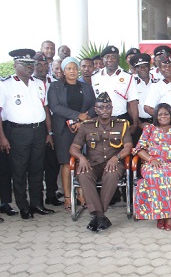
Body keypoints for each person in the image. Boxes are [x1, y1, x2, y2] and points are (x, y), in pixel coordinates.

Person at [0, 49, 55, 219]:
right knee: (19, 170)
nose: (29, 68)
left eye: (31, 64)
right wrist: (2, 137)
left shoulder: (38, 83)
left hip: (38, 131)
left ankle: (37, 203)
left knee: (37, 169)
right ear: (15, 65)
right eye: (25, 64)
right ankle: (23, 206)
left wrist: (49, 132)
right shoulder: (5, 84)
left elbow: (45, 109)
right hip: (17, 132)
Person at [69, 92, 132, 232]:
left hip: (114, 163)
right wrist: (82, 158)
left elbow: (128, 147)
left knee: (111, 174)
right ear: (95, 109)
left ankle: (97, 216)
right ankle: (101, 216)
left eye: (108, 107)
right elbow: (74, 147)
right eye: (101, 107)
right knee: (83, 175)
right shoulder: (86, 125)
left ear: (112, 108)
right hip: (92, 163)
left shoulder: (122, 124)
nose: (105, 110)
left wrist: (117, 158)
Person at [133, 103, 171, 231]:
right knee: (155, 175)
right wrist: (151, 159)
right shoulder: (149, 128)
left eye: (166, 113)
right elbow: (139, 149)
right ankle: (163, 214)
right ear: (156, 116)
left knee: (170, 176)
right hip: (152, 163)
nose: (163, 116)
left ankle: (167, 216)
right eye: (160, 114)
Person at [47, 57, 96, 211]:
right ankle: (68, 197)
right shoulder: (55, 87)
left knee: (83, 161)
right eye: (69, 68)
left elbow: (94, 106)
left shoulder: (86, 87)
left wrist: (82, 121)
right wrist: (77, 116)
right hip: (63, 130)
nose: (72, 71)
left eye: (75, 68)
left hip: (83, 128)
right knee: (67, 163)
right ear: (63, 70)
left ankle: (81, 193)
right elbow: (55, 107)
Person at [32, 52, 62, 207]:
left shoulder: (54, 81)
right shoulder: (29, 82)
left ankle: (51, 194)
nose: (42, 68)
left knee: (52, 161)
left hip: (54, 124)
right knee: (37, 163)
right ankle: (36, 197)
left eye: (45, 65)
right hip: (36, 124)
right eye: (39, 65)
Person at [91, 46, 140, 134]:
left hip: (120, 118)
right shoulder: (95, 76)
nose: (110, 59)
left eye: (113, 57)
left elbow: (132, 102)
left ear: (118, 59)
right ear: (103, 59)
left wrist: (135, 123)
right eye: (107, 57)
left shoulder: (128, 77)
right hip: (100, 119)